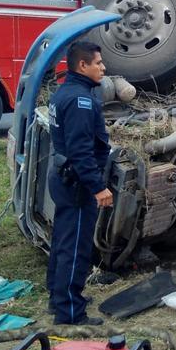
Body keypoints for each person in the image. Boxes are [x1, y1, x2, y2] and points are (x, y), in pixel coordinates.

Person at [47, 41, 112, 326]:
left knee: (63, 240)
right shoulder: (80, 101)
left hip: (63, 177)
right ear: (82, 65)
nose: (103, 67)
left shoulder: (65, 92)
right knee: (76, 246)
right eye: (98, 63)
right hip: (77, 182)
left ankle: (58, 298)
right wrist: (98, 187)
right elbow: (81, 151)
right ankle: (71, 312)